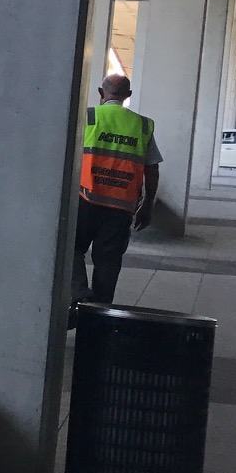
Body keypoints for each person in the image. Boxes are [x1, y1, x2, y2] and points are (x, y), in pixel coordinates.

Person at [74, 73, 161, 305]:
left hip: (86, 200)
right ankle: (99, 319)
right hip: (121, 208)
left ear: (101, 93)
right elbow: (152, 170)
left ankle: (80, 294)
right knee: (108, 263)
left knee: (71, 249)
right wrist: (148, 205)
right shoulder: (142, 126)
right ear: (128, 96)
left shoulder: (89, 117)